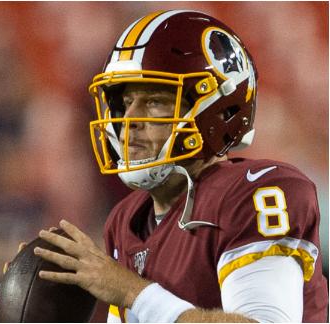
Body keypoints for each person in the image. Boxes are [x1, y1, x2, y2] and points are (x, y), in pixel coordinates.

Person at [33, 9, 328, 322]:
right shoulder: (126, 218)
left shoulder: (258, 193)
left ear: (217, 110)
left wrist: (133, 291)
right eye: (124, 103)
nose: (129, 120)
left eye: (155, 101)